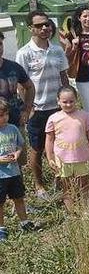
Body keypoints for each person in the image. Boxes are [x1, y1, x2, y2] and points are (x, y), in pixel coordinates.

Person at [17, 11, 70, 200]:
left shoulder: (57, 50)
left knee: (60, 146)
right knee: (37, 148)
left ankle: (60, 181)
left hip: (58, 109)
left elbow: (64, 77)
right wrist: (27, 108)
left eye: (46, 24)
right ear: (31, 28)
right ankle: (39, 186)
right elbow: (22, 85)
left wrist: (68, 103)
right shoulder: (24, 53)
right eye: (39, 26)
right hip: (37, 110)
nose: (44, 28)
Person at [45, 86, 89, 210]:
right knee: (67, 187)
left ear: (76, 100)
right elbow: (49, 139)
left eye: (71, 101)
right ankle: (71, 213)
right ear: (58, 101)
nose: (68, 104)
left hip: (82, 157)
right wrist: (50, 157)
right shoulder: (53, 118)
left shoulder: (84, 115)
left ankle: (85, 210)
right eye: (64, 102)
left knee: (84, 185)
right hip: (62, 159)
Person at [59, 4, 89, 116]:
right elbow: (66, 59)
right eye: (85, 16)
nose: (88, 19)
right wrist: (73, 47)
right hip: (83, 77)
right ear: (79, 18)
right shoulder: (73, 35)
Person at [0, 99, 36, 241]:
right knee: (0, 203)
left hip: (14, 172)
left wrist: (17, 154)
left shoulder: (13, 129)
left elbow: (20, 144)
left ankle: (24, 222)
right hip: (1, 176)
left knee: (19, 198)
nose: (3, 118)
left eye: (5, 115)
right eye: (0, 116)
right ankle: (1, 228)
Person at [0, 31, 35, 130]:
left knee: (20, 146)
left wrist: (27, 110)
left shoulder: (14, 67)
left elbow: (29, 87)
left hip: (15, 124)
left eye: (0, 44)